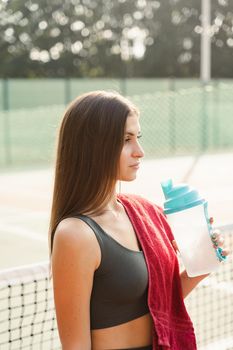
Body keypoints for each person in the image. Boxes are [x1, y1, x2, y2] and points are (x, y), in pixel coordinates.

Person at [49, 90, 228, 350]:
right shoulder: (75, 234)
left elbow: (160, 303)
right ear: (94, 146)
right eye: (126, 140)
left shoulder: (140, 211)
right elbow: (76, 346)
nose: (140, 151)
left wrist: (200, 264)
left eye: (138, 138)